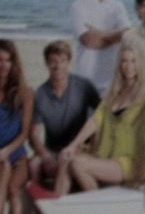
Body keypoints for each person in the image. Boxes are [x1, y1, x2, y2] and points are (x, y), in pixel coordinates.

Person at [55, 39, 145, 197]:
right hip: (105, 154)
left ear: (140, 64)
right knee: (66, 158)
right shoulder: (113, 92)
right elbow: (95, 120)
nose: (128, 66)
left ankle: (100, 206)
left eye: (133, 61)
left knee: (78, 165)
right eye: (124, 61)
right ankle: (56, 205)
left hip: (130, 161)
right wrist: (73, 145)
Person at [28, 41, 101, 190]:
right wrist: (46, 156)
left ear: (69, 62)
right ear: (47, 63)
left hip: (79, 147)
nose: (58, 66)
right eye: (53, 61)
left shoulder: (84, 86)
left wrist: (92, 145)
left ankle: (57, 200)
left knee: (65, 160)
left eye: (63, 61)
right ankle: (39, 202)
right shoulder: (40, 94)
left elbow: (102, 115)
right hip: (53, 150)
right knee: (34, 164)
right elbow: (34, 135)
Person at [68, 0, 131, 94]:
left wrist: (100, 33)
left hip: (113, 81)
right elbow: (89, 40)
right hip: (86, 81)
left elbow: (128, 33)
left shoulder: (117, 6)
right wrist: (115, 36)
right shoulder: (77, 6)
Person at [0, 40, 33, 214]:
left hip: (16, 155)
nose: (3, 65)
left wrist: (6, 151)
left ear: (14, 63)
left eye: (8, 60)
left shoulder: (25, 92)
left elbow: (25, 133)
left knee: (13, 190)